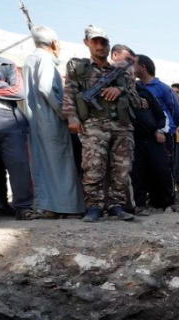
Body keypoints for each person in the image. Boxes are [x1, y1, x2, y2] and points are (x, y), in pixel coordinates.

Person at [62, 25, 141, 222]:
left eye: (103, 42)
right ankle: (94, 206)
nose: (100, 46)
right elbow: (69, 93)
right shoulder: (79, 68)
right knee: (93, 166)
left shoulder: (121, 72)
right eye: (95, 41)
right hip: (94, 124)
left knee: (122, 168)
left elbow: (137, 98)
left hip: (121, 125)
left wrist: (120, 91)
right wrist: (71, 117)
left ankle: (116, 205)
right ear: (87, 43)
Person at [23, 25, 84, 218]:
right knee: (61, 164)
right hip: (51, 120)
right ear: (54, 43)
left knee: (44, 165)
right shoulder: (45, 59)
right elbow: (45, 87)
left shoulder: (30, 59)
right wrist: (65, 112)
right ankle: (69, 208)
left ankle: (49, 207)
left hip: (36, 121)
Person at [0, 50, 34, 220]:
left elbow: (18, 92)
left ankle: (23, 207)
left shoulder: (7, 64)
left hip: (9, 119)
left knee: (19, 164)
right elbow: (9, 89)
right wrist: (2, 85)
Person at [131, 60, 174, 213]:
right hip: (132, 140)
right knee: (137, 172)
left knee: (161, 169)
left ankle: (166, 203)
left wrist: (160, 130)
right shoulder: (116, 93)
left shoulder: (144, 92)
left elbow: (161, 114)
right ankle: (140, 205)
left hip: (153, 137)